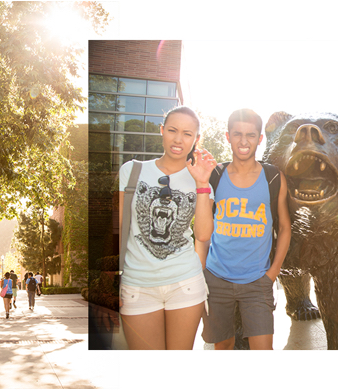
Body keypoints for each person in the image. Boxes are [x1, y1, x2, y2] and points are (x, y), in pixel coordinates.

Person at [117, 106, 212, 350]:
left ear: (196, 139)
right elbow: (122, 228)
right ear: (161, 131)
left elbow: (202, 235)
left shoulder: (201, 179)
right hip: (138, 284)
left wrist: (202, 184)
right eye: (172, 130)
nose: (178, 139)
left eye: (187, 134)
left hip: (185, 283)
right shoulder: (131, 171)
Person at [195, 109, 289, 350]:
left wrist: (272, 273)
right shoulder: (215, 174)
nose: (243, 141)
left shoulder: (272, 177)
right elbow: (203, 230)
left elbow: (285, 227)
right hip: (216, 278)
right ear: (228, 136)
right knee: (223, 346)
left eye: (250, 134)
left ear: (259, 138)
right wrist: (202, 271)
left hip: (258, 280)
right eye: (237, 134)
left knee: (263, 349)